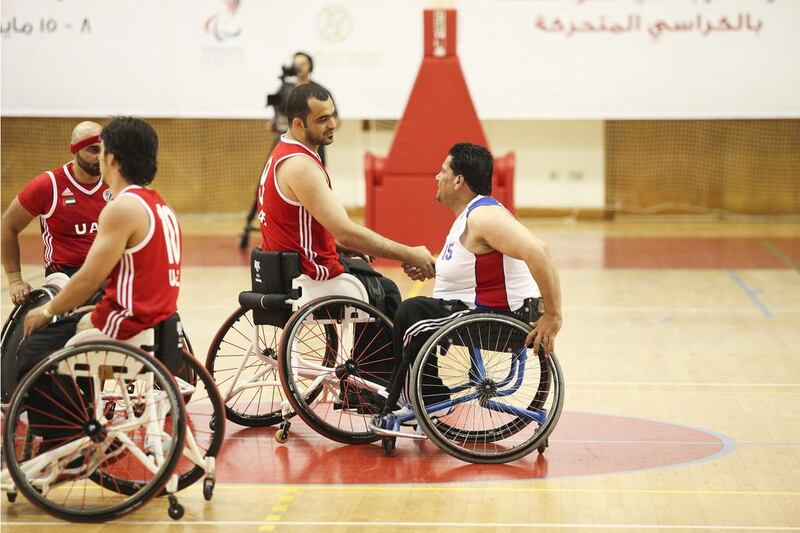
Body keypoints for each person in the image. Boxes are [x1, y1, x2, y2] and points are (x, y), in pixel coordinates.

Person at [20, 117, 182, 450]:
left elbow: (87, 279)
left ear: (112, 159)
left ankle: (64, 444)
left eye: (103, 149)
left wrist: (48, 310)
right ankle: (77, 424)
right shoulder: (158, 203)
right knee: (70, 323)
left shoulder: (121, 208)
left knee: (33, 348)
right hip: (159, 317)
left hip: (126, 324)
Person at [384, 142, 563, 411]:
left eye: (442, 170)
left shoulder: (484, 215)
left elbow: (540, 252)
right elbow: (473, 269)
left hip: (502, 319)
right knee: (406, 307)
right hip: (478, 312)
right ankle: (427, 393)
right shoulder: (468, 217)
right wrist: (431, 268)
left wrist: (553, 314)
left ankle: (415, 399)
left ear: (458, 180)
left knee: (412, 312)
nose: (436, 176)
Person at [257, 82, 436, 321]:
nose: (332, 124)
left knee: (367, 273)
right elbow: (344, 232)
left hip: (287, 267)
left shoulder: (284, 153)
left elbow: (302, 230)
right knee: (386, 293)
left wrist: (347, 247)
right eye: (322, 119)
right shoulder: (300, 166)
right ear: (299, 124)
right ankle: (381, 360)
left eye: (332, 115)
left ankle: (367, 358)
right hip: (306, 277)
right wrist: (410, 254)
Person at [2, 121, 110, 305]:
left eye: (104, 150)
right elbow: (8, 226)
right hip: (64, 273)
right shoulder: (47, 185)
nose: (101, 157)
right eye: (93, 150)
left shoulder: (116, 181)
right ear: (75, 150)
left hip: (107, 271)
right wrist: (15, 280)